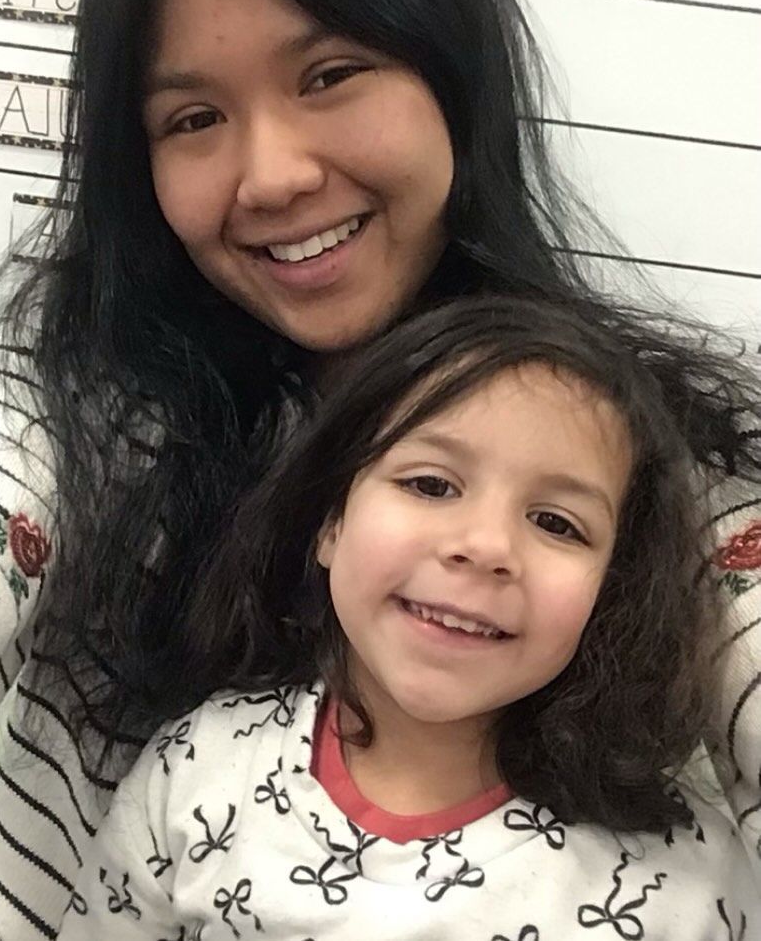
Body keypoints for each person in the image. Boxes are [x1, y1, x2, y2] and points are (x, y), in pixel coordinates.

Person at [0, 0, 757, 938]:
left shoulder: (642, 442)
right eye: (191, 118)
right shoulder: (67, 395)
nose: (273, 174)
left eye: (329, 74)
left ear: (451, 70)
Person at [54, 295, 759, 938]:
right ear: (330, 520)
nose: (485, 547)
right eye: (430, 484)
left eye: (556, 522)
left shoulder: (683, 887)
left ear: (615, 589)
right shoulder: (198, 769)